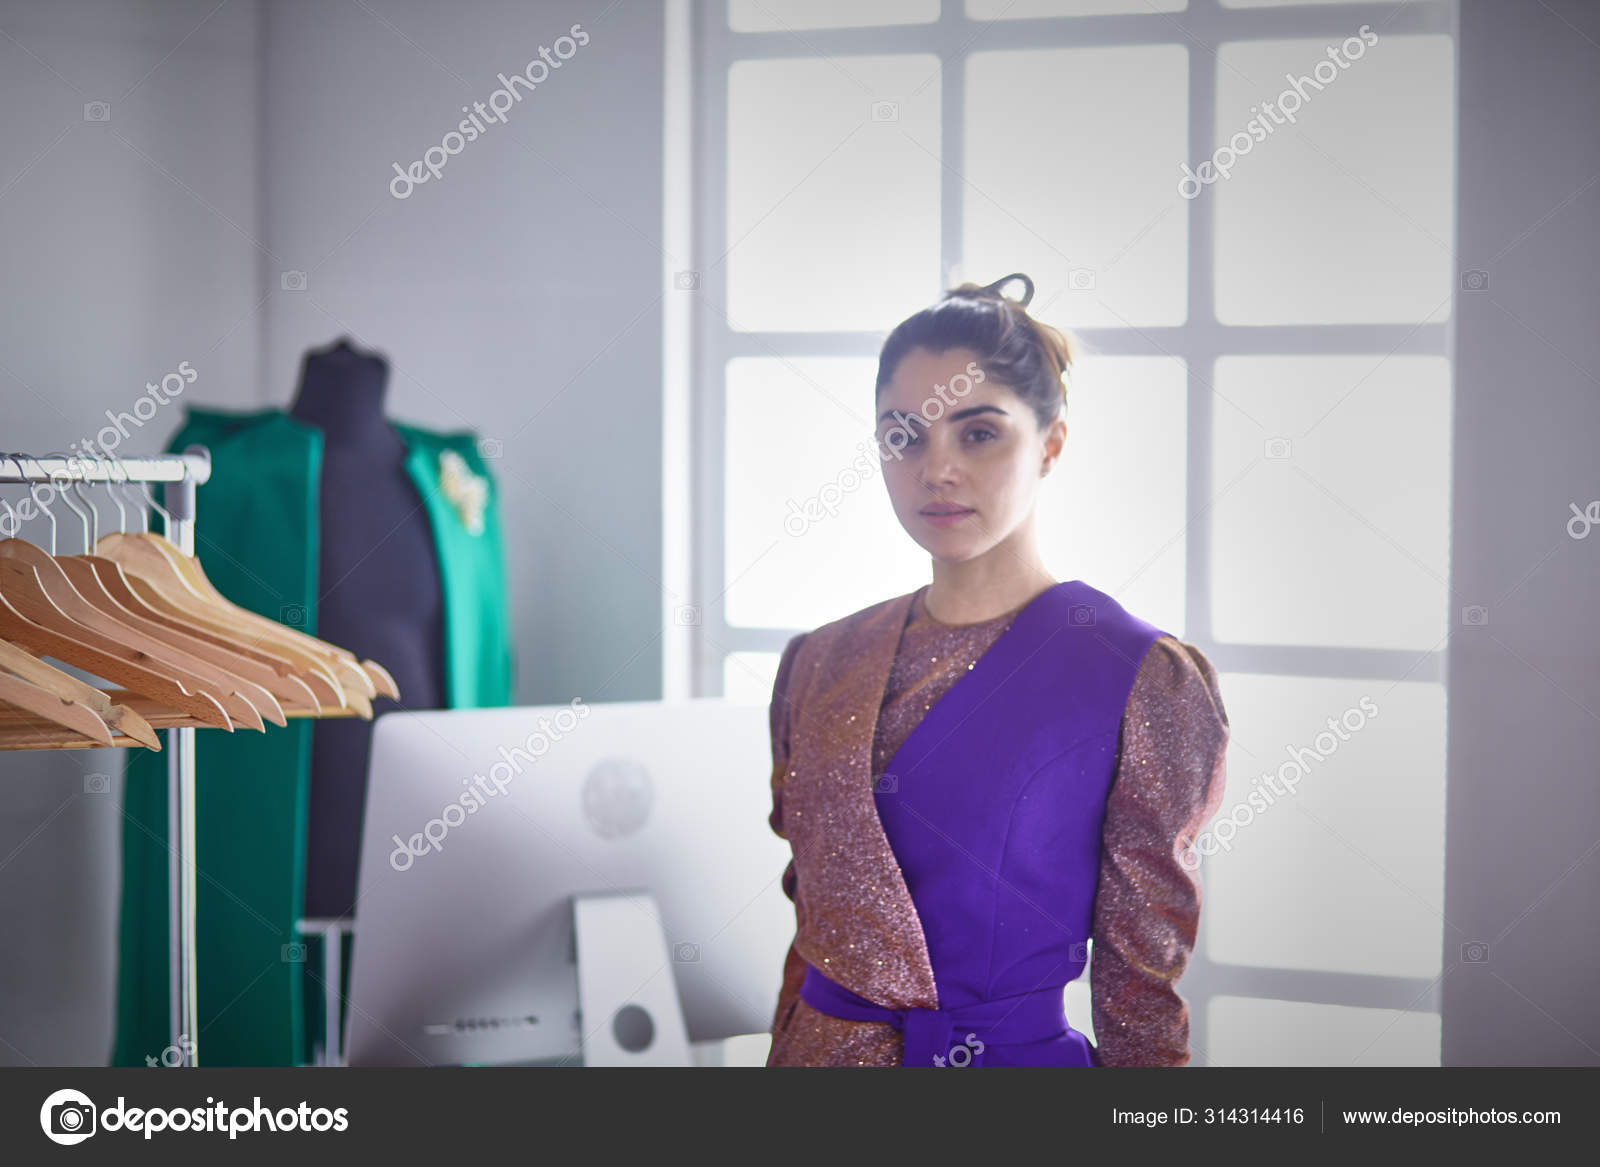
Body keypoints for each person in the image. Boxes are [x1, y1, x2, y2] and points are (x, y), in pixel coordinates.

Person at [763, 273, 1230, 1068]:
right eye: (905, 435)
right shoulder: (819, 662)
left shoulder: (1137, 676)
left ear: (1050, 443)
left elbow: (1139, 991)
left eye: (978, 433)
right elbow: (812, 933)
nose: (935, 469)